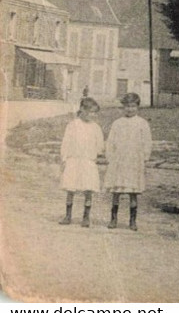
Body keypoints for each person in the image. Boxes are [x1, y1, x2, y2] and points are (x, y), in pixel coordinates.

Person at [105, 92, 152, 231]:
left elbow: (147, 142)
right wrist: (110, 157)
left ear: (137, 107)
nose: (129, 109)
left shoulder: (142, 123)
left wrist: (144, 158)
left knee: (133, 191)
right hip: (119, 160)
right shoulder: (117, 123)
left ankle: (132, 220)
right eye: (127, 106)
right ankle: (113, 219)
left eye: (132, 106)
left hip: (134, 161)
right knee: (116, 190)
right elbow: (111, 141)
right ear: (123, 107)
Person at [59, 96, 104, 227]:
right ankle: (68, 215)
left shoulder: (95, 127)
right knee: (71, 188)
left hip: (88, 161)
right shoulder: (73, 125)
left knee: (88, 188)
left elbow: (100, 144)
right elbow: (66, 142)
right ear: (82, 109)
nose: (92, 115)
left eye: (94, 112)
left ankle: (86, 217)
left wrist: (96, 153)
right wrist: (64, 158)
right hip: (74, 160)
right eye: (90, 111)